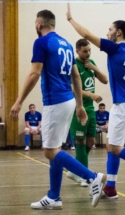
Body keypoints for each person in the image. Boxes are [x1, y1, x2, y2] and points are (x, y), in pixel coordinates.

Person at [10, 10, 106, 209]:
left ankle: (92, 177)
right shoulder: (66, 44)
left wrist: (19, 100)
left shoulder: (41, 42)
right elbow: (76, 77)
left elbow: (34, 74)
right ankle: (54, 197)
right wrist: (79, 105)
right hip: (68, 101)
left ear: (39, 24)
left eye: (36, 23)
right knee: (55, 149)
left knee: (49, 151)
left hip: (55, 101)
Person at [67, 3, 125, 199]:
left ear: (118, 32)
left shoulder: (115, 48)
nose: (107, 33)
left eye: (109, 30)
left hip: (122, 104)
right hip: (120, 105)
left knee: (114, 147)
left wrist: (70, 20)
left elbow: (86, 33)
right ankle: (110, 187)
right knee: (112, 145)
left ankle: (105, 184)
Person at [67, 39, 108, 187]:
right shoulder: (74, 65)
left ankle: (74, 169)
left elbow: (105, 80)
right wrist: (91, 95)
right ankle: (83, 175)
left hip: (90, 110)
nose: (88, 53)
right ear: (77, 51)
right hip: (78, 109)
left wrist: (94, 68)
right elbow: (73, 87)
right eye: (85, 51)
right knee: (80, 141)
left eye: (89, 50)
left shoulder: (91, 63)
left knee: (91, 142)